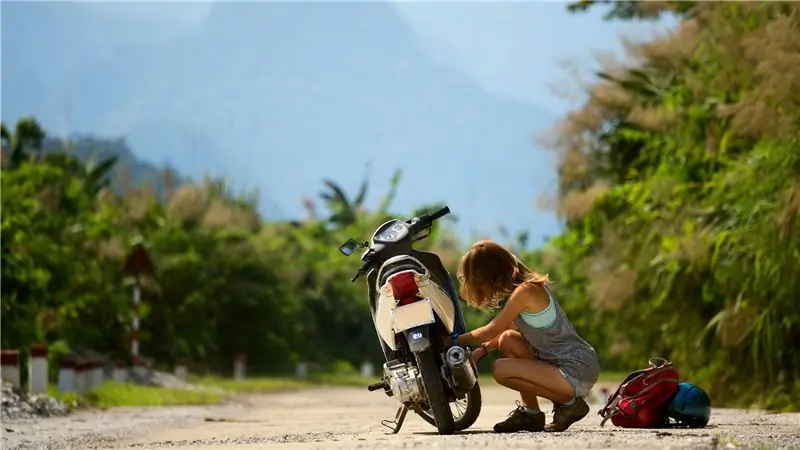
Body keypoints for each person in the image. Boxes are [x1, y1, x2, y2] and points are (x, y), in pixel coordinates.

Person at [451, 240, 600, 433]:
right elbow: (504, 331)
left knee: (500, 369)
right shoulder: (524, 291)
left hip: (575, 369)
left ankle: (570, 404)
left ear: (490, 275)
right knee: (508, 340)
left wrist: (453, 340)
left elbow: (490, 330)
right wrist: (484, 350)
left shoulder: (526, 291)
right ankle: (532, 414)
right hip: (568, 365)